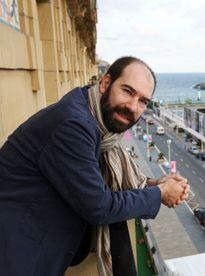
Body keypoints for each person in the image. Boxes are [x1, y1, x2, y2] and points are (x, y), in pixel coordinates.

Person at [0, 56, 189, 276]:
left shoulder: (91, 116)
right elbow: (100, 207)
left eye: (143, 101)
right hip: (17, 254)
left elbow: (88, 175)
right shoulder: (73, 125)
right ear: (105, 83)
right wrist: (160, 193)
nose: (132, 106)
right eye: (128, 91)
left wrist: (153, 183)